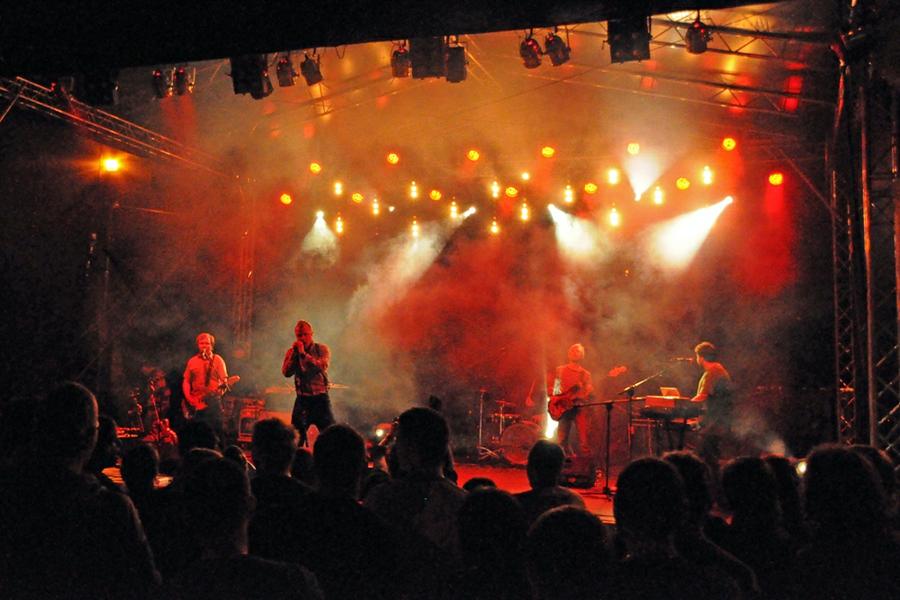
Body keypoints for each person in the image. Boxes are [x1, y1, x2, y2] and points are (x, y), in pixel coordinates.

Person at [282, 320, 333, 446]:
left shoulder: (321, 349)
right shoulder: (292, 352)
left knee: (330, 434)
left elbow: (322, 366)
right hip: (302, 399)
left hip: (320, 398)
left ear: (311, 334)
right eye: (299, 335)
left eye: (305, 334)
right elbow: (286, 372)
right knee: (295, 437)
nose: (303, 338)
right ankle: (296, 456)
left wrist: (303, 354)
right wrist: (294, 355)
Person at [689, 341, 733, 470]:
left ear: (701, 357)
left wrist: (684, 405)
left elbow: (703, 396)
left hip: (713, 422)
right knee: (709, 455)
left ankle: (712, 479)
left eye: (697, 356)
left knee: (708, 458)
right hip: (717, 421)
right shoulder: (718, 370)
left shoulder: (712, 372)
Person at [182, 332, 230, 442]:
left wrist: (221, 391)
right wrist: (189, 398)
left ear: (211, 345)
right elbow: (186, 381)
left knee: (217, 431)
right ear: (198, 345)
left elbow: (224, 380)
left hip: (213, 402)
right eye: (202, 343)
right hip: (196, 403)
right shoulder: (192, 361)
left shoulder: (217, 360)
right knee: (196, 433)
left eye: (207, 343)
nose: (204, 345)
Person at [547, 343, 593, 458]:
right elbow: (556, 389)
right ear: (568, 354)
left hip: (579, 407)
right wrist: (555, 400)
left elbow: (588, 391)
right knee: (561, 440)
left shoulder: (585, 374)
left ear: (582, 355)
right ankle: (562, 463)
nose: (574, 352)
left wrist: (586, 392)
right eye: (572, 350)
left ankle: (586, 465)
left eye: (577, 351)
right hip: (563, 408)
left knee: (584, 441)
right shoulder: (560, 370)